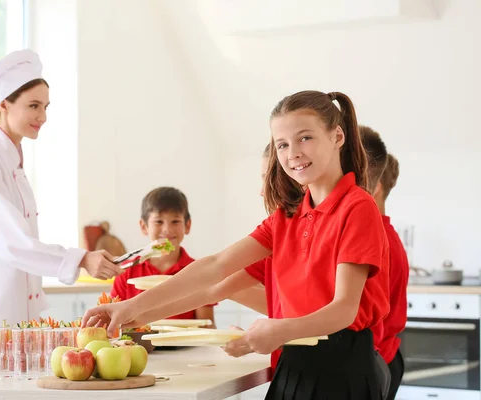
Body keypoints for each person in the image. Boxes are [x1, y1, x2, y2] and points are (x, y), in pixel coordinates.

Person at [83, 90, 390, 399]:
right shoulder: (286, 218)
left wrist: (279, 330)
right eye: (282, 144)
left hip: (343, 371)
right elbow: (215, 269)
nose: (292, 153)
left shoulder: (357, 207)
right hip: (293, 365)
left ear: (337, 136)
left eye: (305, 138)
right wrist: (135, 309)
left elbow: (344, 310)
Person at [0, 49, 121, 328]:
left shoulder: (12, 165)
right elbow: (14, 243)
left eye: (46, 107)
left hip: (11, 320)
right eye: (34, 106)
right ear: (4, 104)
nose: (43, 116)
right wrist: (82, 258)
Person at [115, 145, 281, 369]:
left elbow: (217, 283)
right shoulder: (274, 230)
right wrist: (136, 314)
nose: (262, 191)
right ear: (144, 226)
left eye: (175, 222)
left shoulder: (308, 227)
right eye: (263, 179)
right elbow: (217, 278)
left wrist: (264, 335)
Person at [110, 187, 216, 325]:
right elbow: (114, 321)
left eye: (175, 221)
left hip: (187, 346)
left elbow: (206, 325)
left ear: (187, 225)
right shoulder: (126, 271)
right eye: (159, 222)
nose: (167, 229)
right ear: (144, 226)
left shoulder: (198, 270)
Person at [361, 127, 408, 400]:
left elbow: (368, 321)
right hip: (385, 358)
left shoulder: (376, 239)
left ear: (374, 187)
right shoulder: (383, 234)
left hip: (378, 360)